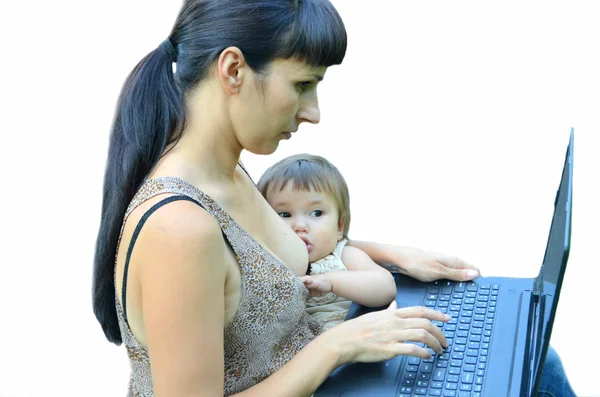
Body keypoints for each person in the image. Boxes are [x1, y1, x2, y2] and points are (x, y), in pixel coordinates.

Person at [91, 0, 576, 396]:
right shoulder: (179, 228)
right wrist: (338, 347)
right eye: (302, 84)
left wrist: (388, 256)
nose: (313, 113)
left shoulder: (228, 172)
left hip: (327, 379)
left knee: (531, 358)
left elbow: (262, 263)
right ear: (234, 69)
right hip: (325, 371)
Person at [257, 154, 397, 332]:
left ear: (340, 226)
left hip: (355, 344)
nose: (300, 226)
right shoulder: (266, 262)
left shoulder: (343, 255)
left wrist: (331, 282)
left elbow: (385, 286)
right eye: (284, 214)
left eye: (316, 213)